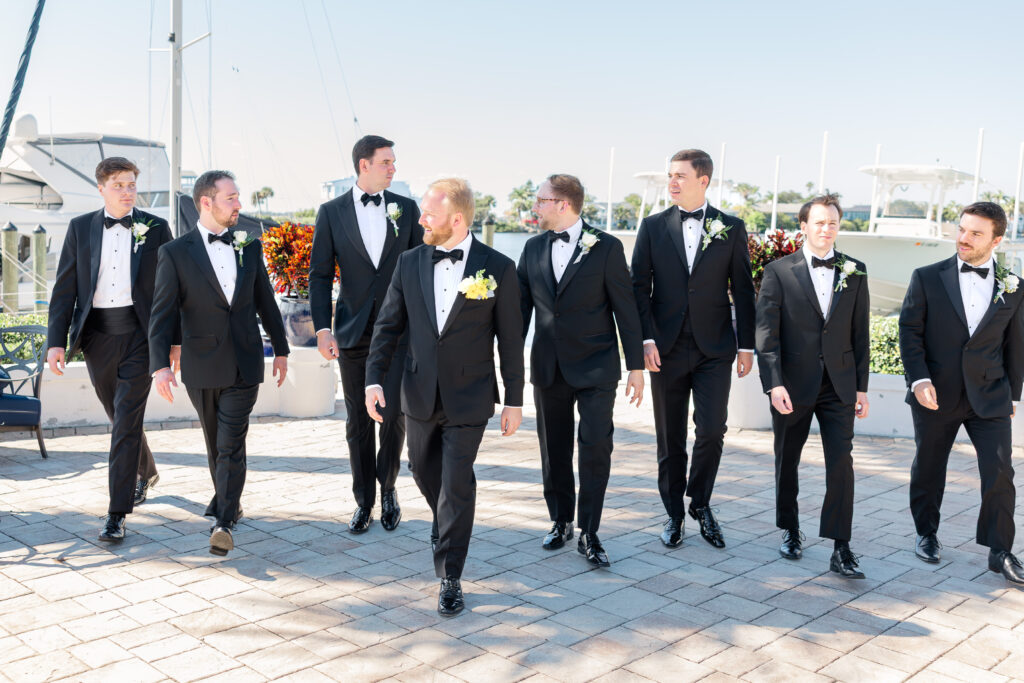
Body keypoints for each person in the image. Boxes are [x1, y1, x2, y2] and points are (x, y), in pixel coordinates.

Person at [365, 177, 524, 616]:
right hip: (417, 390)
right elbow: (387, 327)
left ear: (456, 218)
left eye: (429, 214)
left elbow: (511, 341)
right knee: (422, 470)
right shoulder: (410, 262)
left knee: (456, 484)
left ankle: (450, 575)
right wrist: (373, 379)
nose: (420, 220)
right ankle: (446, 521)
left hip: (471, 396)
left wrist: (514, 399)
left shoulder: (499, 268)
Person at [149, 170, 289, 557]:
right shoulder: (175, 253)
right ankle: (229, 499)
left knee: (231, 442)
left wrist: (281, 349)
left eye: (238, 196)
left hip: (245, 362)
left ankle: (224, 521)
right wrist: (159, 365)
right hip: (201, 363)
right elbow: (162, 313)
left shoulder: (250, 246)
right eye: (231, 198)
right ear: (206, 203)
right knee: (215, 443)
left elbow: (266, 300)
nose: (238, 204)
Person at [631, 149, 756, 549]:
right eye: (670, 175)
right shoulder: (652, 227)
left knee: (712, 431)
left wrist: (747, 345)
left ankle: (700, 503)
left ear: (703, 180)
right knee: (670, 437)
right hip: (664, 348)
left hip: (714, 347)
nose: (672, 182)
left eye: (680, 176)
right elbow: (639, 289)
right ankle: (672, 513)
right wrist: (645, 340)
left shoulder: (731, 227)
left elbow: (743, 290)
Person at [517, 174, 644, 567]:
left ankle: (590, 531)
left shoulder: (606, 247)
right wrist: (505, 368)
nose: (535, 207)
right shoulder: (532, 248)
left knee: (595, 449)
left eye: (540, 200)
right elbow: (521, 312)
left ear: (563, 204)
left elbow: (626, 307)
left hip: (597, 367)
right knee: (553, 451)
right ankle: (560, 521)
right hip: (548, 367)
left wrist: (636, 366)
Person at [46, 157, 175, 542]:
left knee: (123, 423)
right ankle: (146, 470)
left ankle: (117, 513)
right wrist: (56, 341)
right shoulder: (80, 227)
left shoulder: (155, 228)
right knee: (120, 417)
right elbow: (65, 288)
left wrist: (175, 340)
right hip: (97, 338)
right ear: (101, 188)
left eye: (132, 184)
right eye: (118, 184)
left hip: (140, 337)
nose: (127, 191)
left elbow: (173, 289)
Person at [899, 201, 1024, 584]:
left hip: (990, 396)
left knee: (1001, 470)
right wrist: (919, 381)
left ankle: (1000, 551)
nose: (964, 238)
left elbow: (1015, 345)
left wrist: (1014, 396)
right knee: (930, 466)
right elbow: (910, 332)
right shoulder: (927, 277)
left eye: (975, 233)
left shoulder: (1014, 286)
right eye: (962, 229)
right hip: (935, 393)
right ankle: (927, 534)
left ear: (997, 240)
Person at [310, 135, 422, 534]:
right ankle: (364, 500)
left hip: (398, 332)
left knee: (393, 415)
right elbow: (320, 276)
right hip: (353, 331)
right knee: (358, 418)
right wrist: (323, 328)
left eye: (393, 162)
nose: (394, 168)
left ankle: (388, 487)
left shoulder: (407, 210)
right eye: (387, 162)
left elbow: (421, 267)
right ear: (364, 165)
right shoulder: (331, 212)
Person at [755, 194, 870, 578]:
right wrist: (774, 385)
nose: (826, 229)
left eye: (833, 223)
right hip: (792, 384)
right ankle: (789, 528)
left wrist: (861, 388)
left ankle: (842, 546)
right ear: (803, 226)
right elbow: (766, 335)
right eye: (819, 222)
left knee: (842, 464)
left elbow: (860, 334)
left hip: (839, 385)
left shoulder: (856, 271)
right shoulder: (778, 272)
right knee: (787, 459)